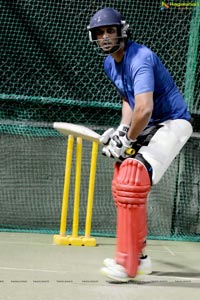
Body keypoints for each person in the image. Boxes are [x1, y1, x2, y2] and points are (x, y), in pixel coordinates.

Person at [87, 7, 193, 282]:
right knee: (123, 173)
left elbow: (144, 108)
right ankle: (140, 257)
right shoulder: (110, 63)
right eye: (100, 33)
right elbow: (129, 99)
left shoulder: (140, 58)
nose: (106, 37)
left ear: (122, 30)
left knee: (134, 177)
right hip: (148, 123)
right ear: (94, 38)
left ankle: (127, 264)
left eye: (110, 30)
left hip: (172, 121)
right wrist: (123, 131)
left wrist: (129, 138)